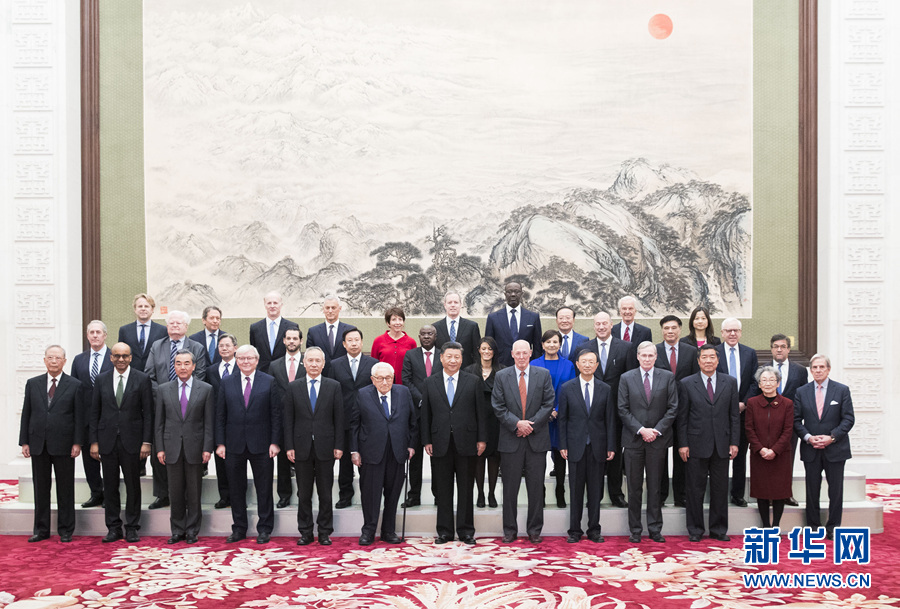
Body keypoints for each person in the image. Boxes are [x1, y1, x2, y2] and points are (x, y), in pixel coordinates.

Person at [215, 345, 282, 544]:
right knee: (236, 489)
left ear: (257, 360)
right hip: (233, 444)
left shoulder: (268, 381)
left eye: (249, 358)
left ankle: (264, 528)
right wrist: (220, 443)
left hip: (262, 444)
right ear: (236, 360)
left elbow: (276, 415)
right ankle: (239, 528)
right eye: (241, 358)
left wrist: (275, 442)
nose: (245, 361)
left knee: (264, 488)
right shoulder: (227, 382)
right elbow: (220, 415)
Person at [420, 341, 487, 544]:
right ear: (441, 358)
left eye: (457, 357)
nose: (453, 360)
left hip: (467, 442)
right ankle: (444, 532)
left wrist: (482, 439)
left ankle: (466, 531)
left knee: (466, 488)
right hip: (440, 442)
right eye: (449, 356)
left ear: (462, 359)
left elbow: (481, 413)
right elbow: (426, 414)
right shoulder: (430, 382)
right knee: (443, 489)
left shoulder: (473, 381)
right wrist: (426, 440)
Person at [570, 311, 637, 508]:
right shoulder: (583, 348)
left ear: (611, 325)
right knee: (594, 455)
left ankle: (616, 494)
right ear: (594, 326)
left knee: (614, 452)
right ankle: (595, 496)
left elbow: (630, 379)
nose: (601, 327)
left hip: (617, 409)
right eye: (597, 324)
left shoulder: (626, 347)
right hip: (592, 412)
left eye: (604, 323)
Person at [491, 339, 555, 543]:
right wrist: (517, 424)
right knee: (510, 489)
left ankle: (534, 530)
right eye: (517, 353)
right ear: (512, 354)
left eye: (524, 353)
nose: (521, 357)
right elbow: (498, 405)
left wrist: (530, 425)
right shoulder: (501, 376)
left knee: (536, 489)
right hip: (511, 440)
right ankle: (509, 530)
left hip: (537, 440)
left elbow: (548, 403)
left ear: (531, 353)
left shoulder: (543, 374)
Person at [19, 345, 84, 543]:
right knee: (40, 488)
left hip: (64, 444)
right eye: (50, 357)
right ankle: (41, 529)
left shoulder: (75, 385)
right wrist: (24, 441)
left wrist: (77, 442)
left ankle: (66, 530)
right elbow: (26, 413)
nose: (54, 361)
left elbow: (79, 417)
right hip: (38, 443)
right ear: (44, 360)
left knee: (65, 489)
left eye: (57, 358)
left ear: (64, 361)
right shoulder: (33, 383)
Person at [145, 310, 208, 510]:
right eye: (171, 323)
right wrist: (166, 395)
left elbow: (200, 374)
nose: (174, 326)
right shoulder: (157, 346)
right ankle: (163, 494)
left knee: (188, 454)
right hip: (162, 404)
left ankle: (188, 498)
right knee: (162, 451)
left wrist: (182, 394)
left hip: (190, 405)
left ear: (186, 326)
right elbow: (149, 375)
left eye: (178, 323)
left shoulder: (197, 347)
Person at [90, 342, 153, 543]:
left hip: (132, 442)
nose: (121, 359)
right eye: (117, 355)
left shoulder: (142, 379)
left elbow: (148, 413)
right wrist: (94, 442)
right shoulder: (101, 379)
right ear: (111, 358)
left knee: (133, 486)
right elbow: (94, 412)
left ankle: (132, 527)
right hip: (107, 441)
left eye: (125, 356)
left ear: (131, 358)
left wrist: (146, 442)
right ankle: (113, 527)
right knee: (110, 486)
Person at [350, 363, 418, 546]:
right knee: (370, 495)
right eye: (380, 378)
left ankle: (388, 531)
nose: (385, 382)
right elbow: (354, 424)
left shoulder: (403, 392)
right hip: (371, 453)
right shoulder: (363, 394)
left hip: (397, 451)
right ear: (373, 380)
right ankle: (368, 531)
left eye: (389, 378)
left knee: (393, 494)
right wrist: (354, 450)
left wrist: (411, 445)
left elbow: (413, 421)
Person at [677, 344, 740, 542]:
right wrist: (683, 443)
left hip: (722, 444)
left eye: (712, 357)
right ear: (698, 361)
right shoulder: (687, 383)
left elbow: (734, 416)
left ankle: (718, 529)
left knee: (720, 489)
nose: (708, 361)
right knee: (694, 489)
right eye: (704, 357)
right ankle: (695, 530)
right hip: (695, 444)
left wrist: (734, 442)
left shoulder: (730, 382)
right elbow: (682, 417)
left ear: (718, 360)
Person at [618, 341, 678, 543]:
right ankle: (635, 530)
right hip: (633, 440)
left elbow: (673, 408)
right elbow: (622, 409)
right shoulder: (626, 378)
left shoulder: (667, 377)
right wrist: (641, 430)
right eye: (643, 355)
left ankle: (655, 528)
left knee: (655, 487)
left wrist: (656, 430)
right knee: (634, 488)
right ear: (637, 356)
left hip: (657, 441)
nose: (647, 359)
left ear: (656, 357)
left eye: (650, 355)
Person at [284, 347, 344, 546]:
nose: (314, 364)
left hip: (326, 447)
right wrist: (289, 446)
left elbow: (339, 419)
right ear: (304, 363)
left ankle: (325, 531)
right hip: (300, 447)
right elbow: (288, 420)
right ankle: (306, 531)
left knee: (325, 493)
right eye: (310, 360)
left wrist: (339, 445)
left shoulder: (333, 386)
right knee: (303, 493)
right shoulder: (293, 387)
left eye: (318, 361)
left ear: (324, 364)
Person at [155, 350, 215, 544]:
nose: (183, 367)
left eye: (187, 363)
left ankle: (192, 530)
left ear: (194, 366)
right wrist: (160, 448)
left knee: (194, 491)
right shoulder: (163, 389)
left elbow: (208, 422)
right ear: (174, 366)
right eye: (179, 363)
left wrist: (207, 448)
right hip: (171, 447)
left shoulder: (205, 389)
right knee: (175, 491)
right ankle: (177, 530)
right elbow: (159, 423)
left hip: (195, 447)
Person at [794, 354, 855, 539]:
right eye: (815, 367)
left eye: (822, 367)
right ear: (810, 370)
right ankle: (813, 526)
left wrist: (832, 437)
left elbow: (848, 419)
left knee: (835, 491)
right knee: (812, 489)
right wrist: (808, 437)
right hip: (811, 448)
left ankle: (833, 526)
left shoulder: (842, 390)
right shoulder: (801, 392)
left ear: (828, 369)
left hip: (835, 448)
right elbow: (796, 420)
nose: (818, 370)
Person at [557, 350, 615, 543]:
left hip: (598, 446)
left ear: (597, 365)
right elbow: (562, 419)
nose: (588, 365)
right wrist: (563, 444)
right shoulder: (567, 388)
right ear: (577, 364)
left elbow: (610, 420)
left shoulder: (605, 389)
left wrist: (611, 446)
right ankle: (574, 530)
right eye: (584, 361)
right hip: (575, 446)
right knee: (575, 490)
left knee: (595, 491)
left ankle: (594, 530)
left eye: (591, 362)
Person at [327, 328, 377, 509]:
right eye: (350, 340)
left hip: (368, 420)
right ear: (344, 344)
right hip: (344, 419)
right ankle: (345, 495)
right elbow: (330, 392)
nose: (354, 343)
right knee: (345, 462)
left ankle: (368, 497)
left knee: (367, 461)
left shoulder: (373, 363)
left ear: (362, 342)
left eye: (357, 340)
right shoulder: (334, 364)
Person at [654, 315, 699, 507]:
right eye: (666, 328)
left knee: (683, 454)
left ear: (680, 330)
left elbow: (696, 380)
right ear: (662, 331)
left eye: (673, 328)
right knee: (660, 456)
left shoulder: (691, 351)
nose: (670, 331)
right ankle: (661, 495)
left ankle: (681, 495)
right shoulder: (654, 351)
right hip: (660, 412)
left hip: (684, 411)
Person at [530, 329, 577, 508]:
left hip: (561, 417)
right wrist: (545, 412)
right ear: (542, 345)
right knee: (539, 457)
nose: (551, 345)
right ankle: (539, 492)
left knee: (559, 454)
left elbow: (571, 389)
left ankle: (560, 490)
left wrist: (556, 410)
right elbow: (532, 392)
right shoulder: (534, 363)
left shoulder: (568, 365)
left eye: (555, 342)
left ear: (560, 344)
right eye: (548, 342)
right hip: (539, 418)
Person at [715, 318, 758, 507]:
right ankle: (719, 493)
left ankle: (737, 494)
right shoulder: (714, 352)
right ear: (722, 333)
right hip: (718, 413)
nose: (732, 334)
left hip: (742, 412)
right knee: (719, 456)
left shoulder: (750, 353)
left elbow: (755, 382)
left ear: (740, 332)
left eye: (736, 330)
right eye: (728, 330)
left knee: (740, 455)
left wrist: (744, 403)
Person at [745, 366, 794, 529]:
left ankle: (776, 526)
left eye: (772, 380)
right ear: (759, 384)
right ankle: (766, 526)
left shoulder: (787, 404)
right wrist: (760, 449)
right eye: (764, 380)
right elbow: (749, 428)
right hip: (759, 454)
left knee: (780, 491)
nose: (768, 383)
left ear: (778, 383)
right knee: (762, 491)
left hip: (780, 455)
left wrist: (774, 450)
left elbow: (788, 430)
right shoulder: (752, 403)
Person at [70, 320, 112, 508]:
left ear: (105, 335)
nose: (95, 335)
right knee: (89, 459)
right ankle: (96, 493)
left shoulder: (115, 357)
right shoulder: (79, 360)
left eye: (98, 332)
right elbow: (73, 389)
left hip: (109, 417)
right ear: (87, 336)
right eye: (91, 332)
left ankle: (110, 495)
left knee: (109, 459)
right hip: (86, 418)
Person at [400, 324, 442, 508]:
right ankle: (414, 496)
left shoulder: (443, 355)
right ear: (418, 336)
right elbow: (406, 380)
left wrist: (433, 400)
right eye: (423, 334)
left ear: (435, 336)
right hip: (416, 414)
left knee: (437, 459)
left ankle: (439, 496)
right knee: (415, 458)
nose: (426, 336)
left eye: (430, 334)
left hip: (437, 414)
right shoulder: (410, 355)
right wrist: (422, 399)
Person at [268, 327, 306, 509]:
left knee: (303, 458)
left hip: (304, 418)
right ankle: (284, 494)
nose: (291, 341)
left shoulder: (308, 362)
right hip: (282, 419)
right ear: (283, 341)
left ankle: (303, 493)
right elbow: (271, 393)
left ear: (301, 341)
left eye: (295, 338)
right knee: (283, 459)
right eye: (288, 338)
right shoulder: (274, 365)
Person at [769, 333, 809, 506]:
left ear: (788, 349)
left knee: (788, 459)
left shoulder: (799, 370)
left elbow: (804, 396)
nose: (779, 349)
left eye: (783, 346)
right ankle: (769, 494)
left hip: (790, 422)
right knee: (769, 459)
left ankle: (786, 493)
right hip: (767, 423)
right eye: (776, 346)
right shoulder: (763, 368)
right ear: (771, 349)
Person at [465, 336, 503, 509]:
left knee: (494, 458)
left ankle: (492, 493)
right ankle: (480, 493)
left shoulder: (502, 371)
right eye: (484, 348)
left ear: (494, 351)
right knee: (478, 458)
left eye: (490, 349)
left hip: (496, 421)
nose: (487, 351)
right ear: (479, 350)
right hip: (475, 420)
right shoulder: (469, 371)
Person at [205, 332, 238, 509]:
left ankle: (238, 496)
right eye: (221, 346)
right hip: (218, 420)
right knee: (221, 460)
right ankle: (224, 496)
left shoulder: (242, 367)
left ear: (235, 348)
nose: (224, 348)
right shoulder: (211, 370)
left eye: (227, 345)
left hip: (238, 421)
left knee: (237, 462)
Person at [485, 281, 543, 366]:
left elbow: (537, 346)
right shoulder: (493, 318)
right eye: (509, 292)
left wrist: (536, 365)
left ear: (522, 294)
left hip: (526, 364)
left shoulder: (533, 317)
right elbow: (489, 345)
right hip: (500, 365)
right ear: (505, 294)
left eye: (517, 291)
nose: (513, 294)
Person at [248, 291, 300, 373]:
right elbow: (254, 352)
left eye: (275, 303)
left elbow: (295, 351)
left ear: (281, 305)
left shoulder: (292, 326)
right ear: (265, 305)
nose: (272, 306)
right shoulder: (255, 328)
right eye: (269, 303)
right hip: (262, 372)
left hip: (284, 372)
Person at [117, 293, 167, 373]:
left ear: (152, 309)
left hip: (154, 375)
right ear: (135, 309)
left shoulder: (163, 330)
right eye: (140, 306)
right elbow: (121, 353)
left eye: (146, 306)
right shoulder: (124, 330)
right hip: (131, 374)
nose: (143, 309)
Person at [306, 295, 356, 373]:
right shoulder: (313, 332)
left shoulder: (350, 330)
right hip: (322, 375)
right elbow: (310, 356)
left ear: (339, 309)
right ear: (323, 309)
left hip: (344, 374)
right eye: (327, 308)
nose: (330, 311)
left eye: (333, 308)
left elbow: (354, 353)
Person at [433, 291, 482, 369]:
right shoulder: (435, 327)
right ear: (445, 305)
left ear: (460, 305)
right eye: (449, 302)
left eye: (456, 302)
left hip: (466, 371)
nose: (453, 305)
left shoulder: (472, 326)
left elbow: (477, 354)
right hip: (442, 371)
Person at [371, 307, 417, 384]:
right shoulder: (378, 341)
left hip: (404, 385)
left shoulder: (411, 342)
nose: (397, 323)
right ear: (388, 323)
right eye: (394, 319)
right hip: (383, 384)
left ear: (403, 322)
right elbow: (373, 365)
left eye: (400, 319)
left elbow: (414, 367)